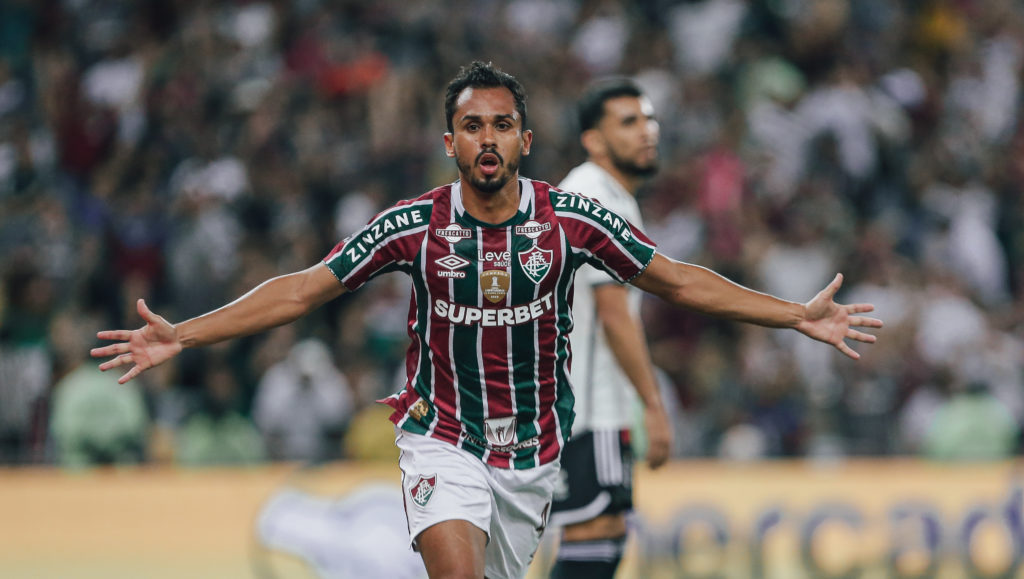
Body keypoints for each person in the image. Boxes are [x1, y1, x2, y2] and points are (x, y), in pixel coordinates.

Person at [92, 61, 882, 579]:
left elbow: (674, 279)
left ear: (525, 140)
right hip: (441, 437)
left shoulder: (570, 220)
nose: (488, 138)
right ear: (450, 142)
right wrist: (184, 332)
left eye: (502, 124)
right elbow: (303, 289)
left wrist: (793, 315)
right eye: (472, 126)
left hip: (533, 455)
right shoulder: (413, 225)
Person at [548, 77, 670, 578]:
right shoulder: (593, 196)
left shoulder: (609, 194)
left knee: (605, 535)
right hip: (588, 405)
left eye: (649, 119)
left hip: (589, 403)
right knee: (594, 534)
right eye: (629, 122)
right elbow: (613, 312)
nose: (647, 131)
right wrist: (653, 406)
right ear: (594, 140)